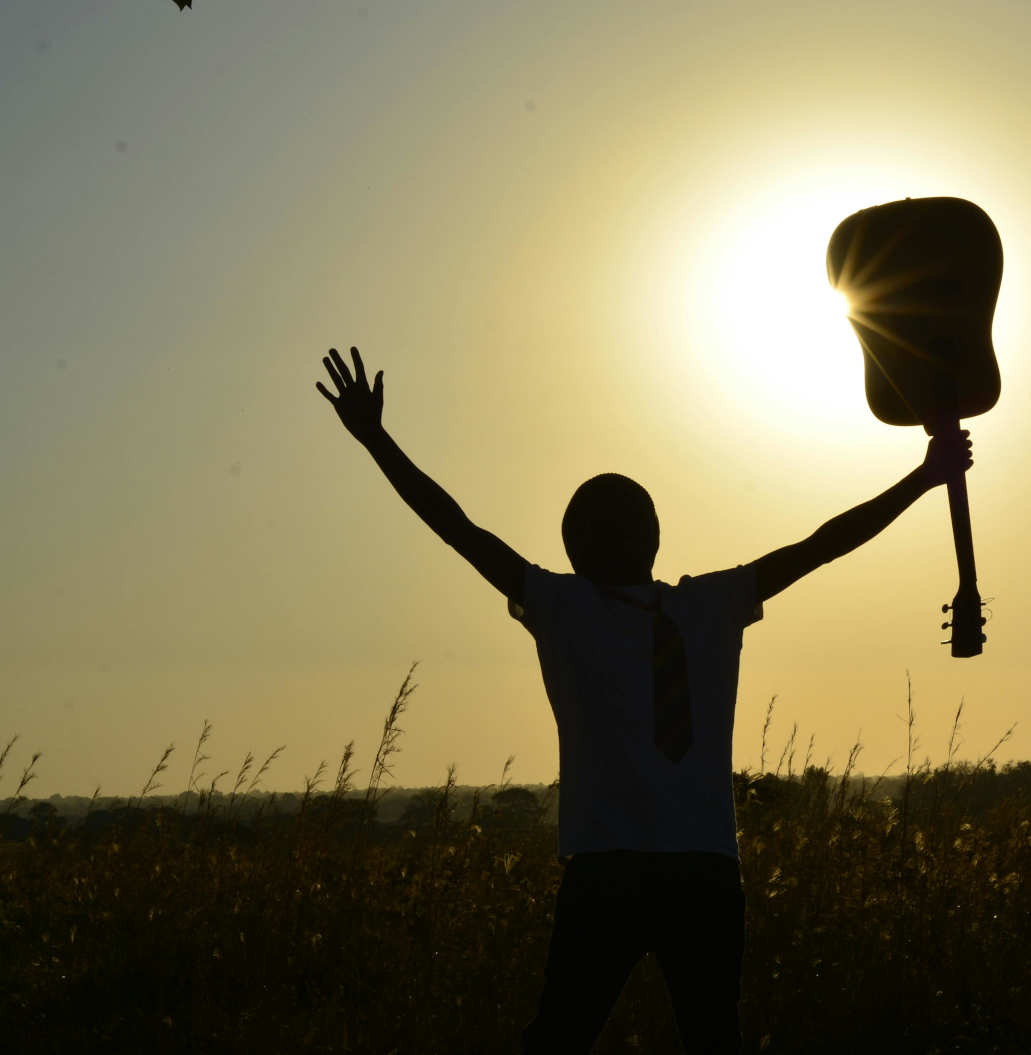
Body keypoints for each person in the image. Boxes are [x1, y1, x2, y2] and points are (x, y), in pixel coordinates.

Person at [315, 345, 972, 1054]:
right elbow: (459, 530)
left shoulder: (712, 602)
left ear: (657, 533)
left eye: (636, 515)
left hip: (702, 868)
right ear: (578, 547)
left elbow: (823, 545)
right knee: (561, 1040)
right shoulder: (561, 606)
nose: (627, 528)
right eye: (605, 522)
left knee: (711, 1041)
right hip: (609, 867)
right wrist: (377, 439)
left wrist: (924, 478)